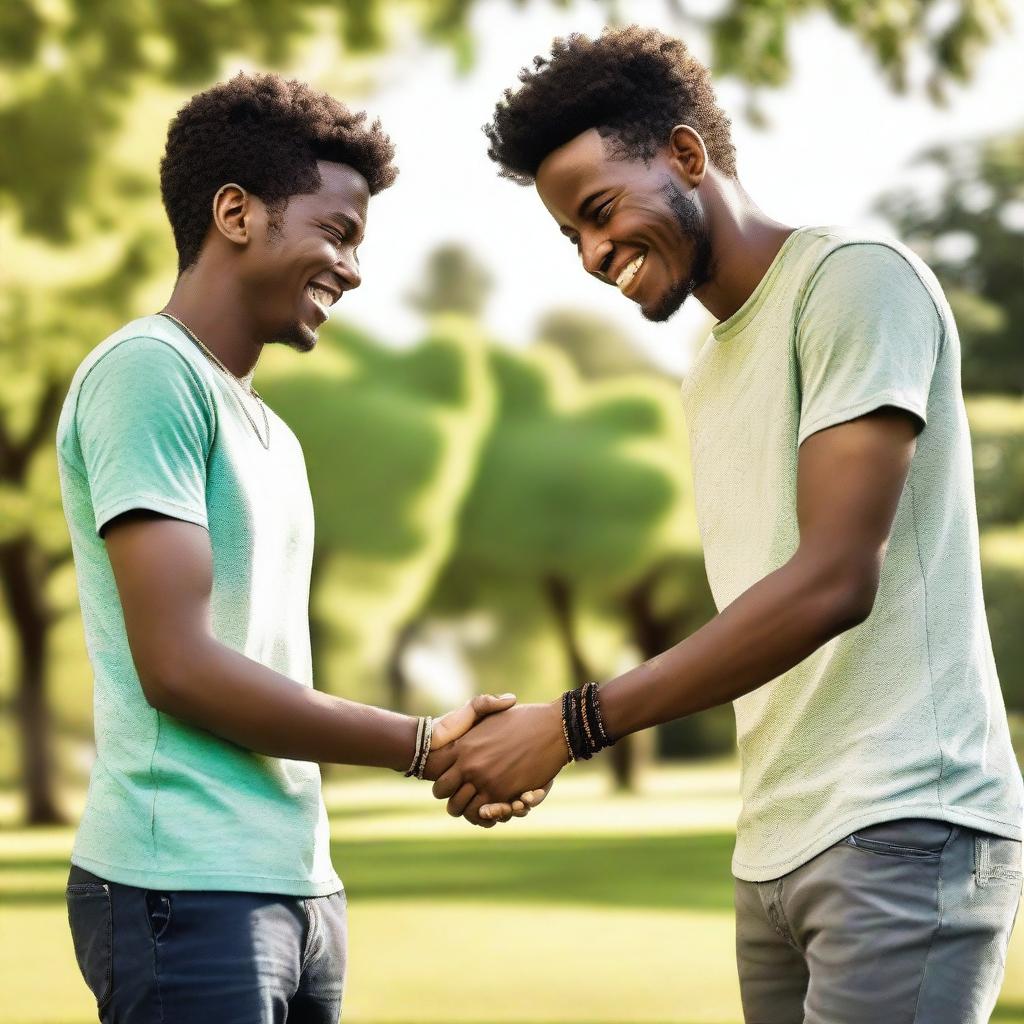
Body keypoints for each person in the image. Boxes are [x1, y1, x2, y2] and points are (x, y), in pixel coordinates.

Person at [429, 26, 1024, 1022]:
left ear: (686, 156)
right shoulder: (705, 365)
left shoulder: (852, 282)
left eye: (599, 210)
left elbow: (834, 578)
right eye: (568, 235)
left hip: (903, 823)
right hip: (773, 850)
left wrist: (571, 723)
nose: (589, 252)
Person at [56, 72, 541, 1024]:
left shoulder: (274, 437)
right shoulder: (148, 374)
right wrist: (417, 743)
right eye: (337, 232)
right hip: (182, 887)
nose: (353, 271)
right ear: (235, 213)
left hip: (296, 884)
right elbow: (179, 668)